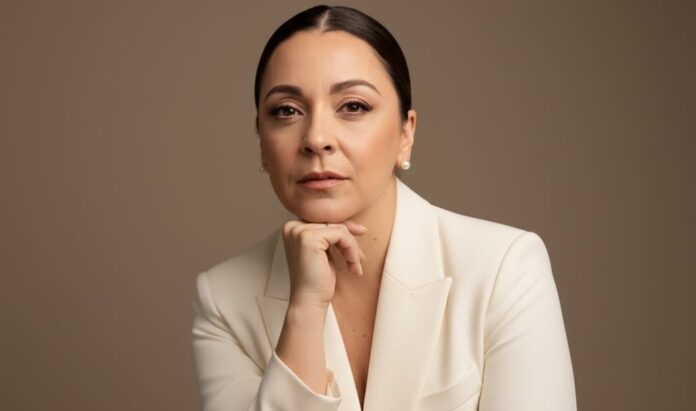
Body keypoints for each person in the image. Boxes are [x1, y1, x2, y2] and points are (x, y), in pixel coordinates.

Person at [191, 5, 576, 411]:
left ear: (406, 134)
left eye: (353, 106)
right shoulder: (223, 298)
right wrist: (304, 311)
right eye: (286, 110)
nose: (316, 138)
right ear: (261, 143)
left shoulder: (504, 268)